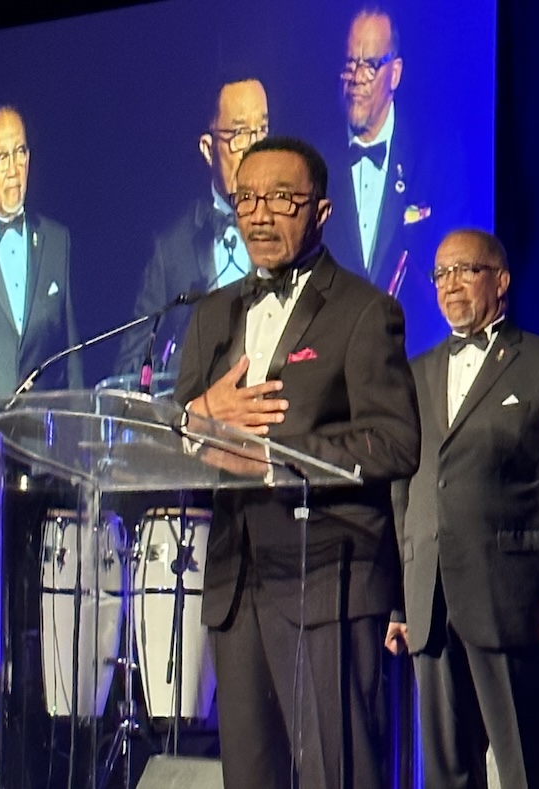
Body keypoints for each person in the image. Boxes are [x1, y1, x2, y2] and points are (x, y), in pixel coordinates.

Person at [173, 135, 420, 789]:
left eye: (282, 198)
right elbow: (180, 430)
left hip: (330, 583)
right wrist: (198, 414)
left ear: (322, 210)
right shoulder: (210, 316)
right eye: (247, 198)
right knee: (250, 775)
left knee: (340, 773)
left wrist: (277, 461)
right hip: (236, 579)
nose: (260, 214)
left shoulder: (366, 312)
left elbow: (396, 441)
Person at [385, 229, 539, 789]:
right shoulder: (418, 371)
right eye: (440, 274)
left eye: (465, 271)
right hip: (429, 601)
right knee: (446, 774)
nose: (450, 285)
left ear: (500, 280)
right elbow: (404, 490)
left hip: (515, 602)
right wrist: (397, 602)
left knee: (525, 772)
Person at [321, 5, 463, 357]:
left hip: (416, 361)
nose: (356, 77)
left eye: (369, 65)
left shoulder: (437, 157)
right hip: (337, 370)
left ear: (395, 73)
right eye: (349, 64)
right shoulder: (317, 162)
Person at [115, 77, 269, 376]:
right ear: (208, 149)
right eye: (239, 134)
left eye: (261, 131)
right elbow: (129, 370)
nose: (254, 151)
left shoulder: (293, 230)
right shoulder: (171, 249)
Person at [0, 105, 82, 466]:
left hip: (46, 452)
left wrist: (75, 449)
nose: (13, 169)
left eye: (21, 152)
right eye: (2, 157)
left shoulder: (58, 241)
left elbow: (72, 353)